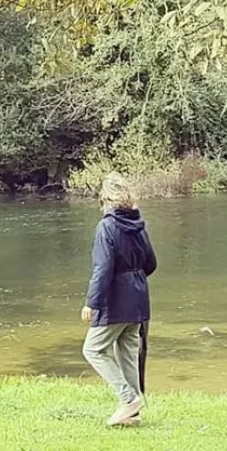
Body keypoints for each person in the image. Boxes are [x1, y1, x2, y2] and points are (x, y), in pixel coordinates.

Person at [81, 172, 157, 426]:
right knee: (127, 354)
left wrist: (91, 303)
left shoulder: (107, 226)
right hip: (138, 300)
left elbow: (102, 269)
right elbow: (151, 264)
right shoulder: (139, 225)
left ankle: (128, 399)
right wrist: (133, 280)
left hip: (114, 302)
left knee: (92, 349)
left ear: (105, 199)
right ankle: (132, 413)